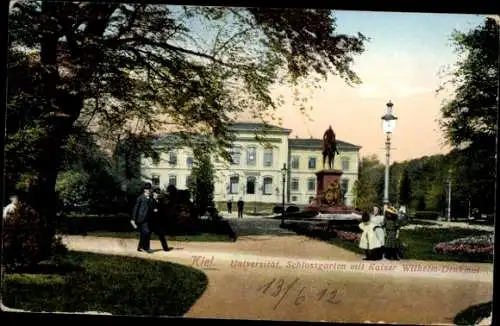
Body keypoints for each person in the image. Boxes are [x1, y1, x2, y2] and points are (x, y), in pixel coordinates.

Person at [132, 183, 155, 253]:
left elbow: (151, 208)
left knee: (144, 233)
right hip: (141, 218)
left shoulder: (151, 198)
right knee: (147, 232)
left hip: (148, 218)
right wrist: (133, 218)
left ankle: (140, 247)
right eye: (147, 189)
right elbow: (136, 208)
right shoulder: (140, 198)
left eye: (149, 189)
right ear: (144, 190)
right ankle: (146, 247)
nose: (148, 190)